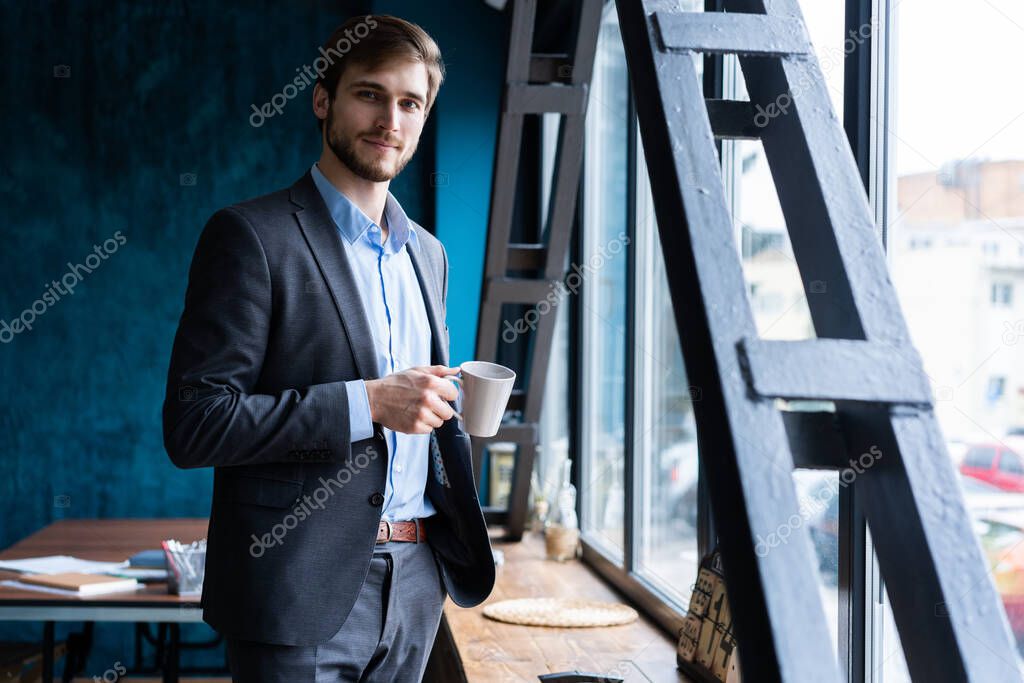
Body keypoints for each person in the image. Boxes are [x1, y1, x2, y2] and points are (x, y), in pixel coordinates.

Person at [161, 14, 495, 682]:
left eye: (410, 103)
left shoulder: (428, 255)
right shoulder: (250, 237)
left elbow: (421, 428)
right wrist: (367, 402)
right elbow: (194, 425)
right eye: (369, 94)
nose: (389, 120)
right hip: (295, 587)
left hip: (419, 580)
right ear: (323, 100)